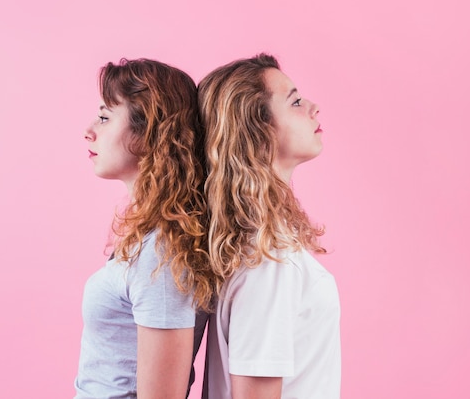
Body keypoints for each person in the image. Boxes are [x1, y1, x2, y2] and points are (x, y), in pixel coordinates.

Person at [198, 53, 341, 399]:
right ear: (257, 130)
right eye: (294, 101)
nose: (313, 107)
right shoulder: (269, 258)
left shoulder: (260, 245)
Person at [74, 58, 213, 399]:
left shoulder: (161, 254)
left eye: (105, 117)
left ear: (149, 129)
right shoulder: (153, 239)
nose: (89, 130)